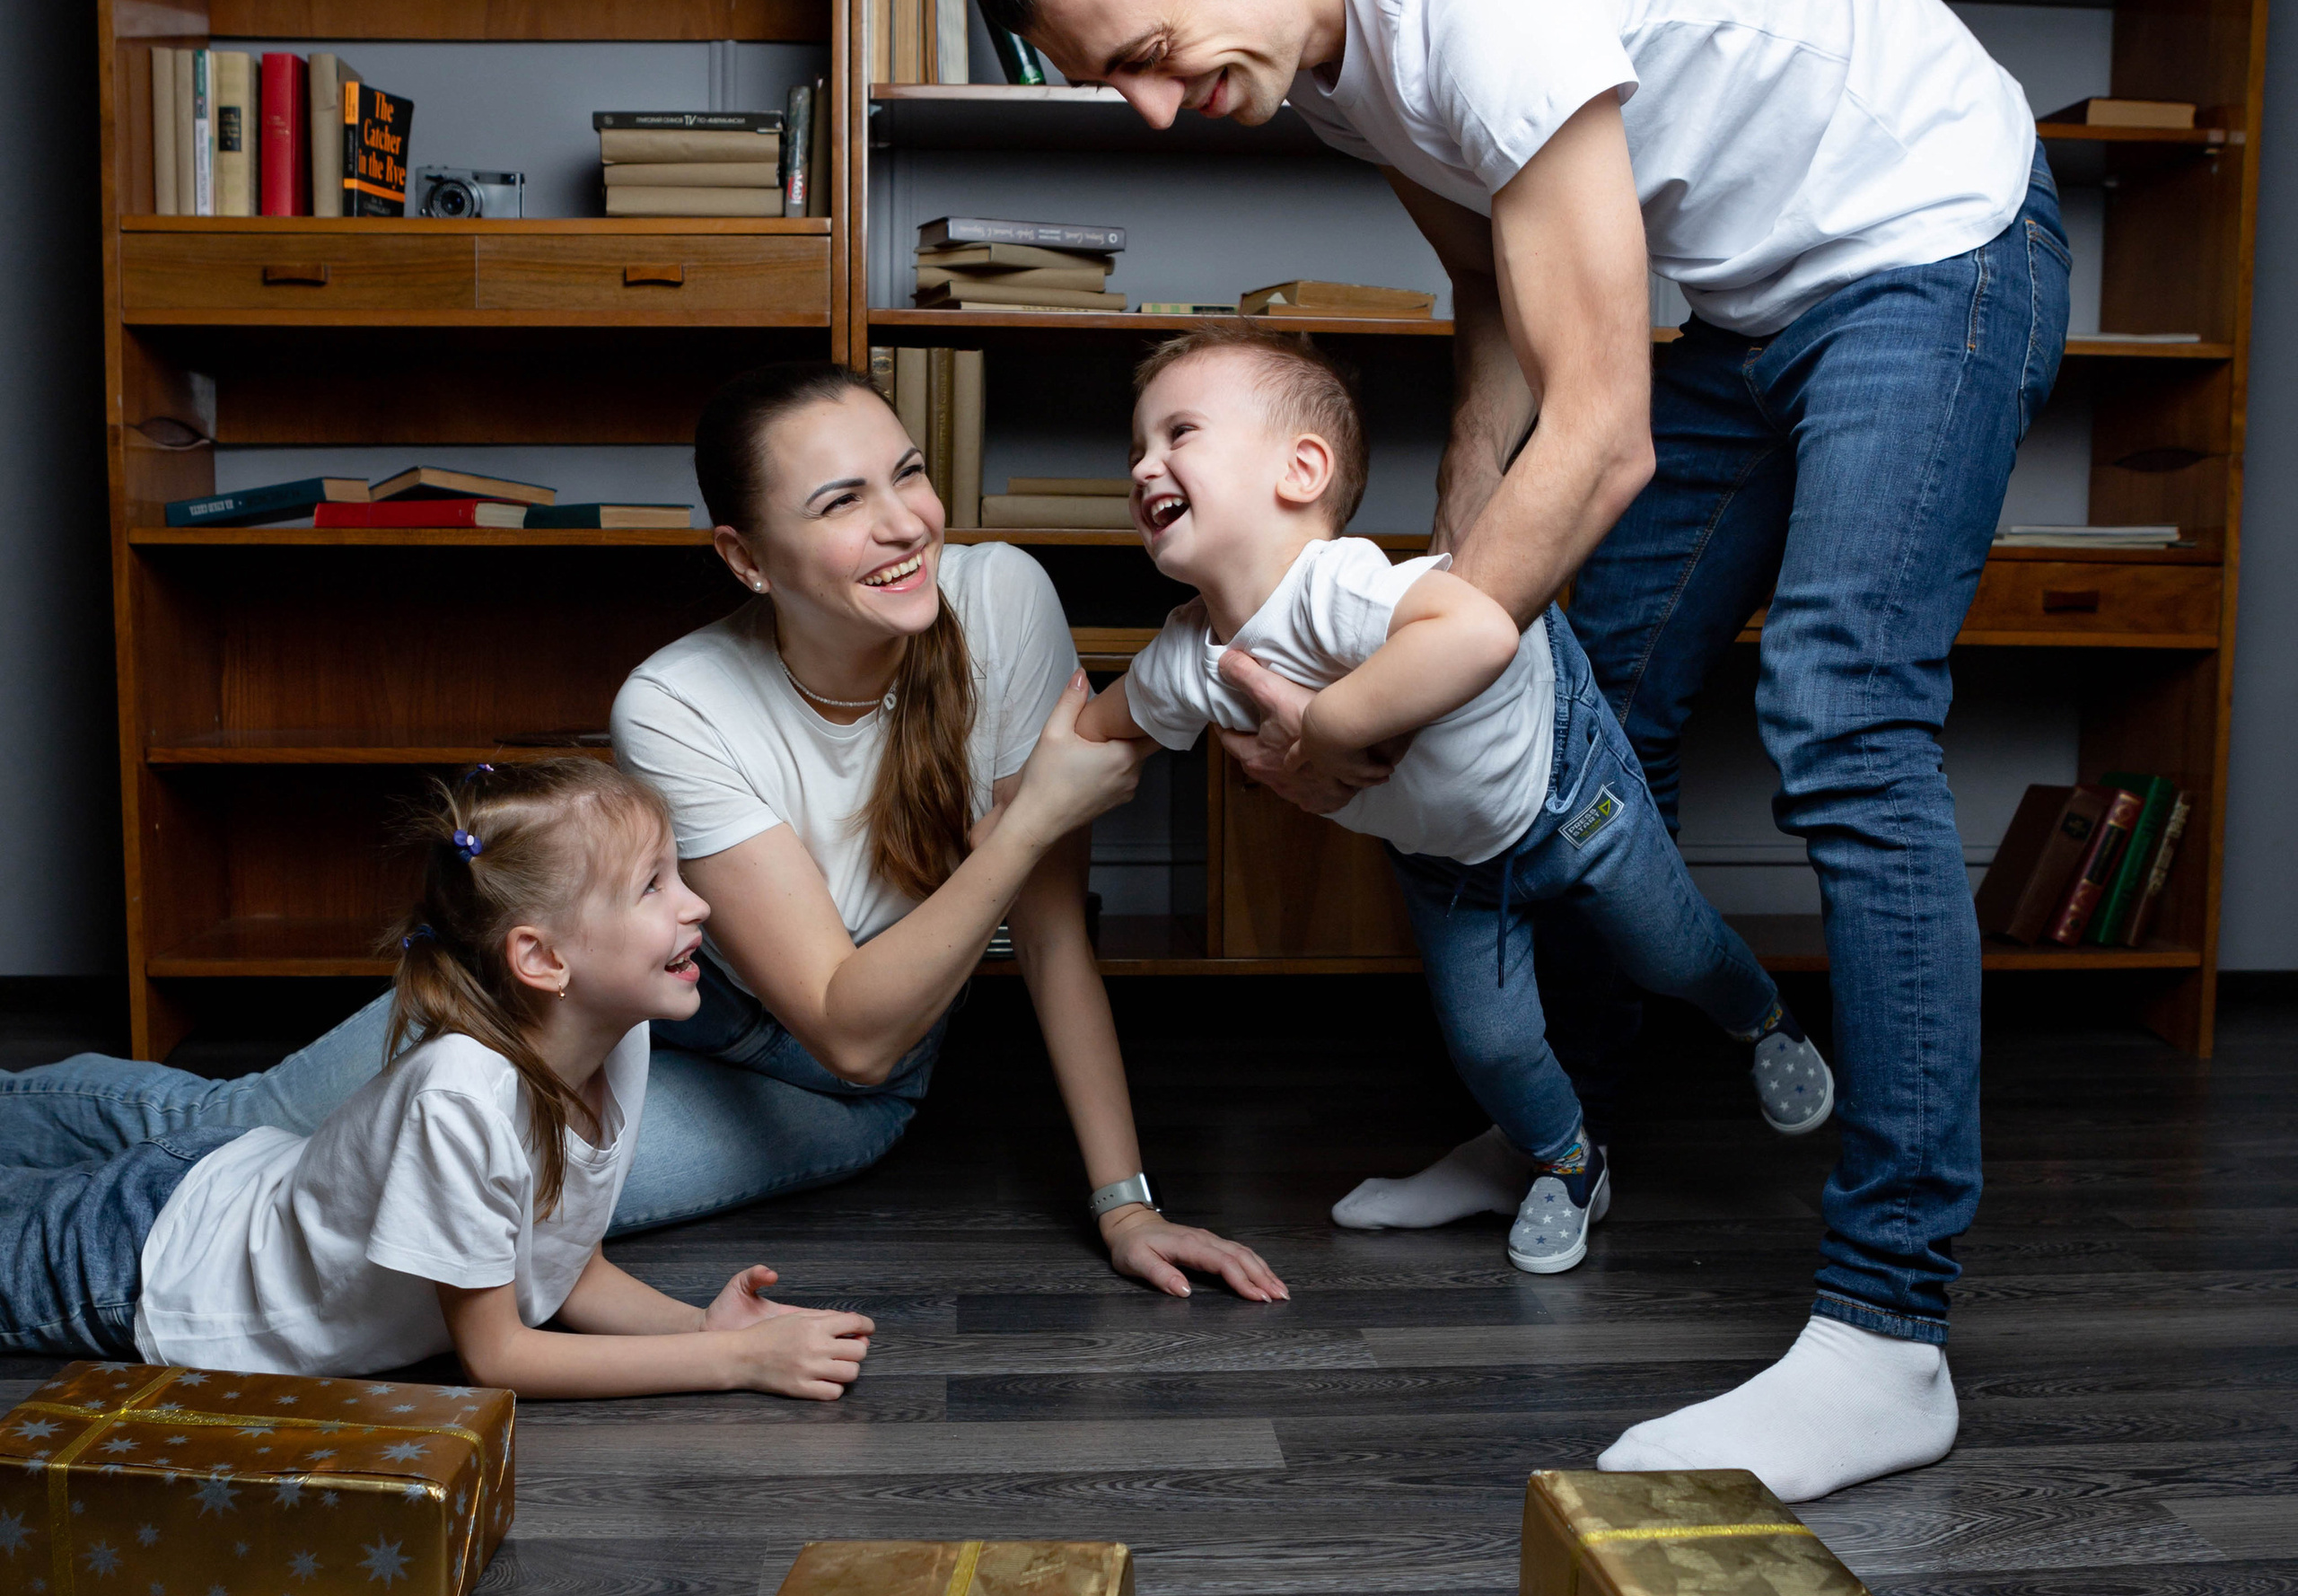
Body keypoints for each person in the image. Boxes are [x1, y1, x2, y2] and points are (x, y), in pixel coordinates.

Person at [974, 0, 2069, 1497]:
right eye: (1116, 86)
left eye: (1148, 56)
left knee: (1839, 717)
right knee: (1596, 699)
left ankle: (1883, 1332)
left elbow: (1604, 428)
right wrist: (1448, 592)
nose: (1160, 113)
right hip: (1729, 300)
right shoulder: (1331, 69)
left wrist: (1375, 704)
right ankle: (1563, 1133)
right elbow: (1495, 318)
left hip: (1925, 239)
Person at [2, 364, 1284, 1307]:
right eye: (842, 502)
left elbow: (960, 987)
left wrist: (1128, 1208)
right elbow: (842, 990)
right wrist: (1035, 814)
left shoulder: (1003, 604)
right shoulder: (675, 700)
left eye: (908, 473)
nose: (905, 523)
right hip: (622, 1002)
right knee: (257, 1121)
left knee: (406, 1204)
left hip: (828, 1092)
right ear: (746, 557)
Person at [1079, 327, 1832, 1275]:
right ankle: (1569, 1164)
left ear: (1302, 468)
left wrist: (1327, 725)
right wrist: (1031, 768)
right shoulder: (1189, 657)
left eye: (1178, 433)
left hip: (1566, 791)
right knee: (1491, 1044)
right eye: (1136, 447)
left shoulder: (1339, 588)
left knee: (1667, 950)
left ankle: (1760, 1017)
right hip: (1449, 864)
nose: (1145, 464)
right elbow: (1106, 726)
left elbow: (1477, 631)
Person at [0, 757, 873, 1397]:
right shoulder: (462, 1098)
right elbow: (496, 1357)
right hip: (142, 1263)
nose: (697, 905)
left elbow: (569, 1270)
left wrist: (703, 1324)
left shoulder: (619, 1035)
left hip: (215, 1180)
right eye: (652, 886)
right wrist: (730, 1363)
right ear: (541, 957)